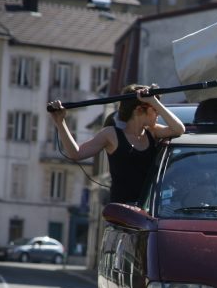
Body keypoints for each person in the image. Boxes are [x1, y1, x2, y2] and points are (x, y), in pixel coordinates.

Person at [48, 84, 185, 204]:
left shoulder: (152, 132)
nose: (158, 114)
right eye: (155, 110)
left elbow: (179, 129)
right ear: (139, 110)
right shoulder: (111, 134)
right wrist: (60, 123)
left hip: (146, 210)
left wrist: (153, 101)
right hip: (121, 212)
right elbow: (76, 153)